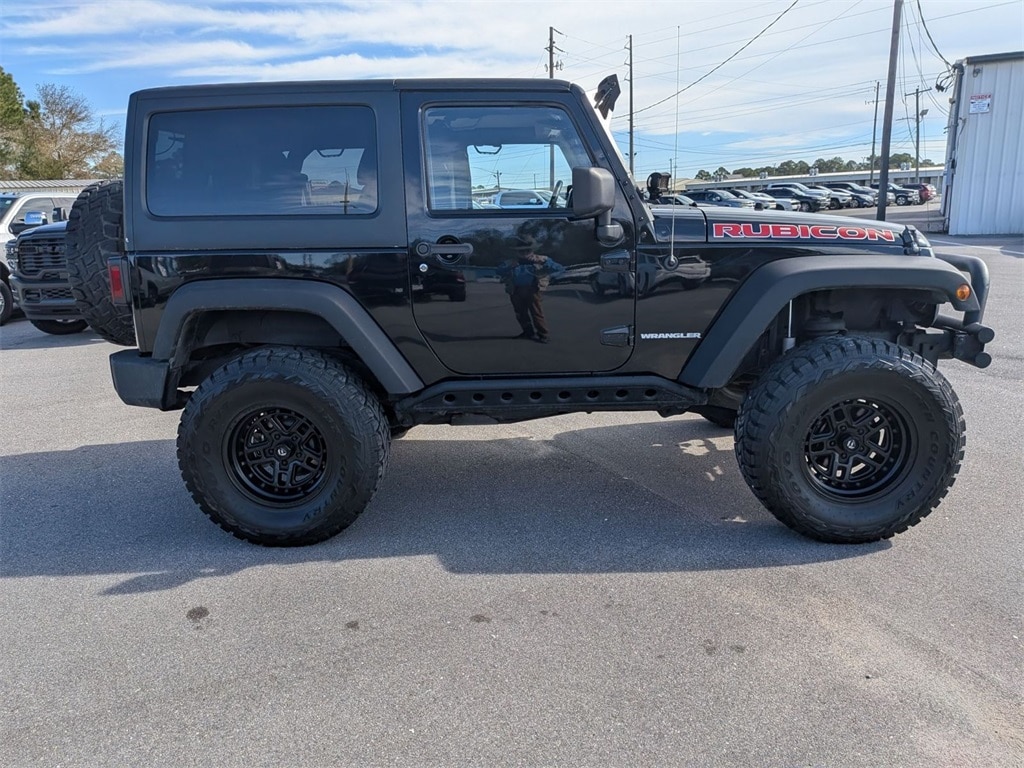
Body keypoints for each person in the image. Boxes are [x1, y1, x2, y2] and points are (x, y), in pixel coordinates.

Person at [496, 235, 564, 343]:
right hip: (515, 290)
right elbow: (498, 271)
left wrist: (544, 262)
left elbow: (559, 268)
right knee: (520, 312)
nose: (524, 253)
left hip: (533, 289)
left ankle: (543, 334)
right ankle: (527, 332)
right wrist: (510, 266)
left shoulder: (541, 259)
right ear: (516, 252)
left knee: (536, 312)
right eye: (521, 251)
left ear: (532, 250)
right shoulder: (511, 262)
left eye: (527, 251)